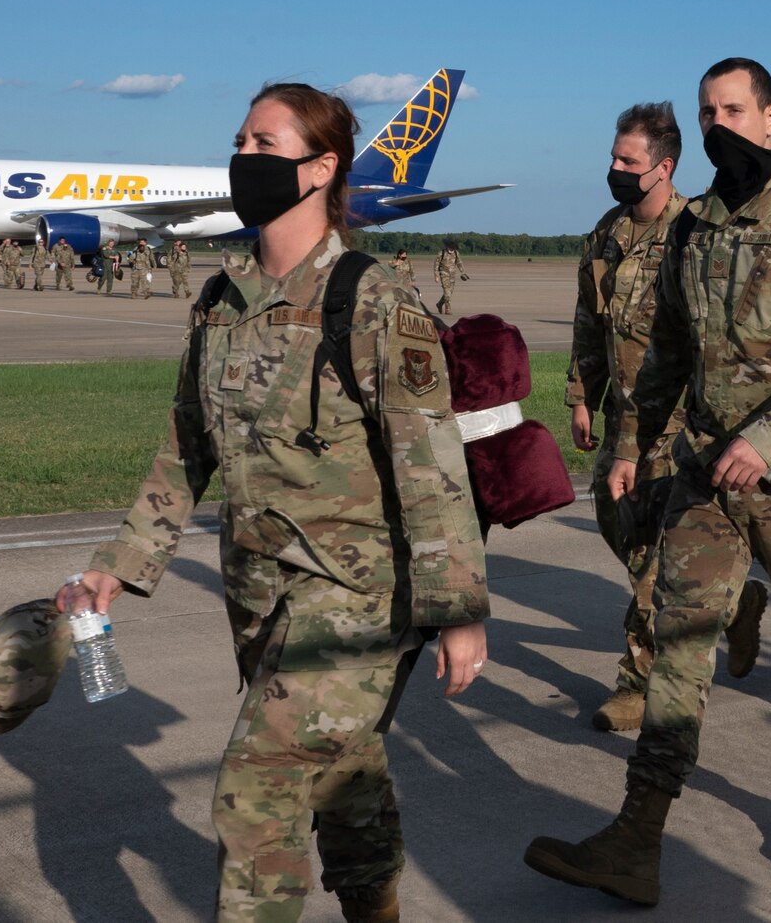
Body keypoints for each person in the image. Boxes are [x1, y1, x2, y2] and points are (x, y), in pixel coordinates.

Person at [57, 81, 490, 922]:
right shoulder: (221, 301)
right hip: (262, 594)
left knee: (256, 792)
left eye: (264, 143)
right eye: (240, 141)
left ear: (323, 166)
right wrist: (120, 566)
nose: (243, 157)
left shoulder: (371, 298)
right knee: (340, 772)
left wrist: (460, 607)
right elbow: (186, 448)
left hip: (359, 598)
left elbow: (431, 467)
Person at [527, 57, 771, 904]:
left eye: (734, 109)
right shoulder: (693, 230)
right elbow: (669, 357)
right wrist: (630, 443)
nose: (721, 123)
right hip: (707, 479)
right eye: (707, 111)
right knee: (680, 644)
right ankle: (637, 835)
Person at [565, 101, 769, 734]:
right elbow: (587, 321)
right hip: (627, 417)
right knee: (618, 524)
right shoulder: (606, 234)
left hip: (684, 423)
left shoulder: (698, 233)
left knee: (656, 555)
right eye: (614, 157)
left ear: (664, 167)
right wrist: (580, 395)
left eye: (628, 160)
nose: (616, 168)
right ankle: (735, 606)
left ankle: (639, 679)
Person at [435, 240, 467, 315]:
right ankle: (448, 309)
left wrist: (463, 272)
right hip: (444, 274)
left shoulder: (456, 253)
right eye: (450, 247)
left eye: (453, 248)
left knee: (449, 292)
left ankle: (439, 304)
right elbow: (436, 265)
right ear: (447, 246)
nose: (451, 249)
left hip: (452, 276)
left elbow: (459, 263)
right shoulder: (441, 253)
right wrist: (436, 276)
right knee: (447, 292)